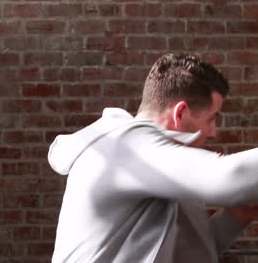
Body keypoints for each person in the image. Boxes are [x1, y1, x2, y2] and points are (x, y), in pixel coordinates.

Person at [48, 53, 258, 262]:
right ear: (180, 113)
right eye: (211, 119)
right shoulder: (127, 147)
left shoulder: (165, 168)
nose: (213, 132)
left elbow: (189, 255)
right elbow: (230, 177)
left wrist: (235, 217)